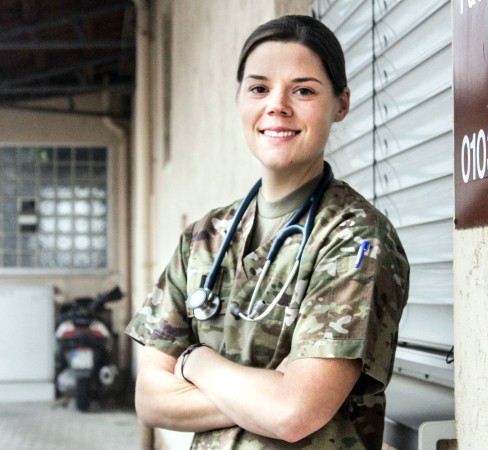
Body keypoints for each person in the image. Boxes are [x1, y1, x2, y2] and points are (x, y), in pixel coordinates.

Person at [126, 14, 410, 450]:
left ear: (341, 103)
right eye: (259, 88)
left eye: (303, 90)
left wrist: (195, 361)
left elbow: (294, 414)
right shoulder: (203, 239)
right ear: (240, 98)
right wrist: (272, 390)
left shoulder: (357, 240)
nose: (277, 105)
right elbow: (150, 400)